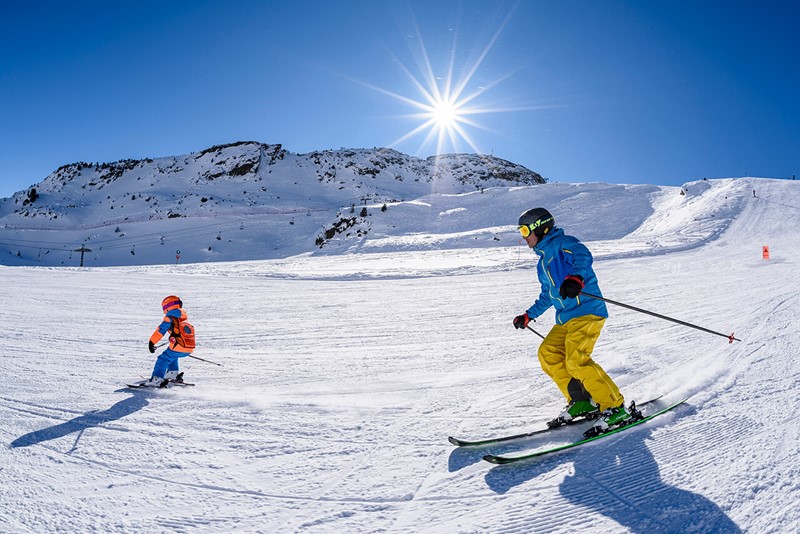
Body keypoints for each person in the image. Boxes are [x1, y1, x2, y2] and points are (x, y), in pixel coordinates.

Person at [512, 208, 631, 435]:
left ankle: (615, 406)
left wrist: (576, 277)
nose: (524, 236)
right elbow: (548, 295)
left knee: (576, 360)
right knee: (548, 353)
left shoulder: (564, 244)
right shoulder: (542, 263)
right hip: (566, 318)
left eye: (526, 230)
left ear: (541, 228)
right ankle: (582, 400)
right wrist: (528, 315)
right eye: (521, 231)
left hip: (587, 312)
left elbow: (582, 255)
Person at [142, 295, 195, 387]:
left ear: (167, 306)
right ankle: (172, 373)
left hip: (179, 346)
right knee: (172, 355)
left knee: (163, 359)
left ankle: (157, 379)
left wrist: (152, 342)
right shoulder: (183, 319)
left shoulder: (169, 318)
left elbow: (160, 331)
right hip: (189, 348)